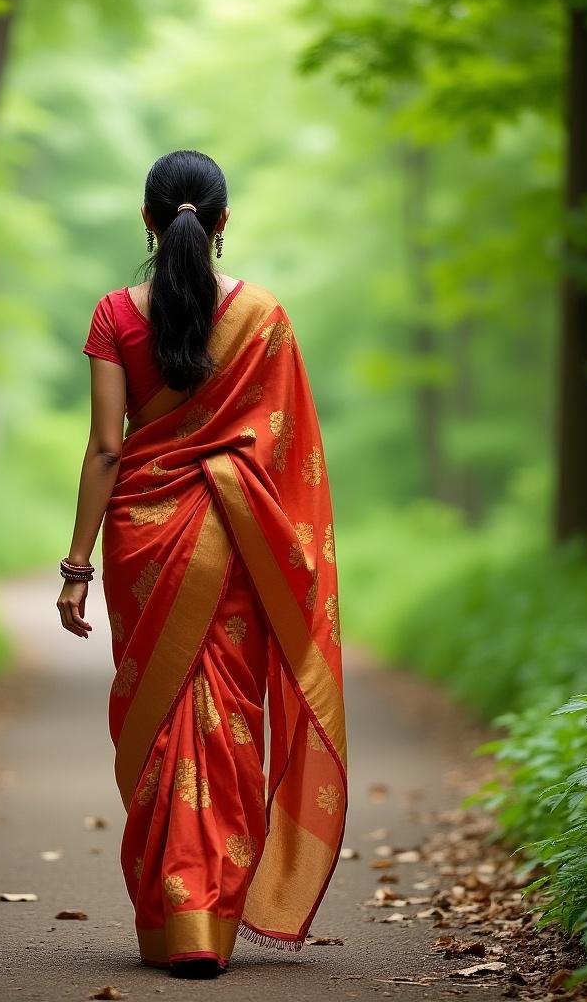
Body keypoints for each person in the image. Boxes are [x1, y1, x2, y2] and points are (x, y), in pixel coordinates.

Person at [57, 149, 348, 979]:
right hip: (238, 541)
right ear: (223, 224)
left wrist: (77, 565)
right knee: (226, 717)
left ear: (147, 220)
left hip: (145, 547)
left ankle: (173, 915)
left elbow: (108, 448)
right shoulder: (266, 318)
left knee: (160, 722)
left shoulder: (116, 313)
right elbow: (289, 457)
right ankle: (208, 914)